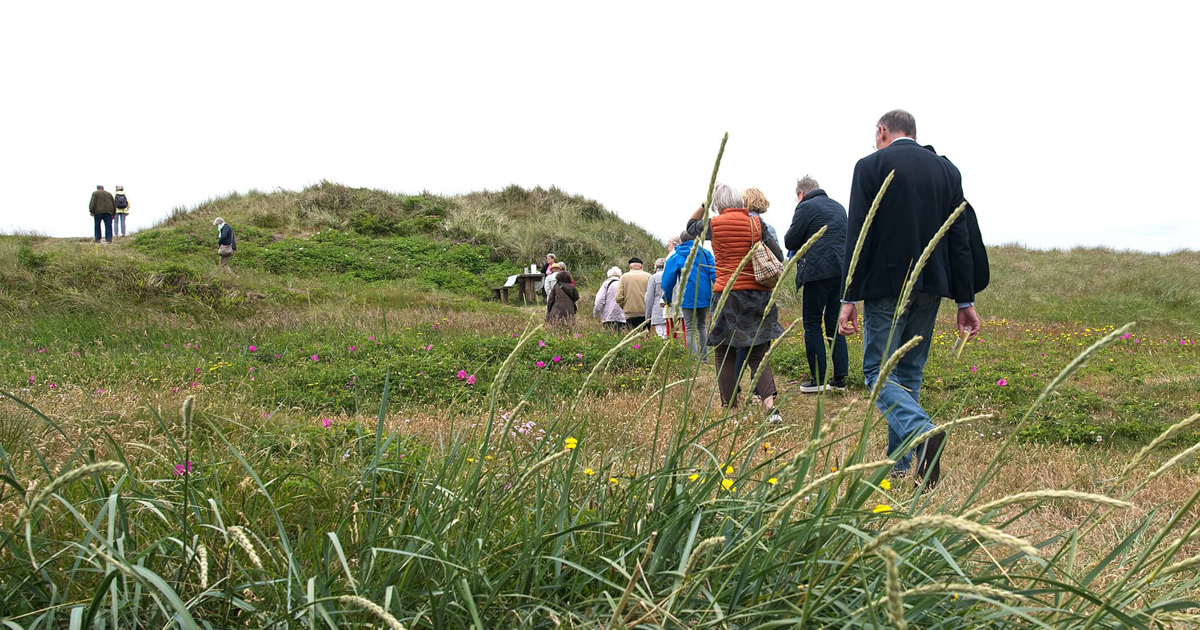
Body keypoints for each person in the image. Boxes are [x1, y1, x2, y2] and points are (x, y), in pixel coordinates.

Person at [838, 110, 980, 487]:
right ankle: (901, 465)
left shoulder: (869, 166)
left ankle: (922, 432)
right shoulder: (947, 171)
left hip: (885, 285)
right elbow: (959, 239)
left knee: (877, 371)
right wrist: (964, 301)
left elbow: (858, 232)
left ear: (883, 131)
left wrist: (848, 296)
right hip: (933, 285)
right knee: (908, 373)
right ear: (914, 133)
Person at [685, 183, 784, 421]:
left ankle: (730, 410)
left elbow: (689, 228)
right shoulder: (756, 223)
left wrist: (704, 203)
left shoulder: (714, 225)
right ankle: (771, 408)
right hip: (758, 294)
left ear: (718, 204)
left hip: (726, 293)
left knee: (725, 353)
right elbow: (778, 255)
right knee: (758, 353)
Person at [784, 175, 849, 393]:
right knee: (833, 322)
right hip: (840, 272)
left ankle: (819, 380)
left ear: (801, 194)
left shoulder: (805, 207)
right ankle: (839, 378)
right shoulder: (839, 207)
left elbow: (790, 241)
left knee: (812, 323)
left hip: (816, 272)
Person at [733, 188, 781, 399]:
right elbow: (777, 258)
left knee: (740, 343)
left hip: (739, 289)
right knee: (761, 343)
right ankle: (758, 390)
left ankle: (733, 389)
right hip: (762, 289)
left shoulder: (737, 225)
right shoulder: (767, 227)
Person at [662, 230, 715, 358]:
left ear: (681, 241)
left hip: (687, 296)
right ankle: (704, 358)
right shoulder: (705, 253)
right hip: (704, 295)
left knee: (690, 328)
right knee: (702, 326)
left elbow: (667, 281)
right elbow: (714, 274)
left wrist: (667, 298)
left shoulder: (676, 256)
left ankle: (693, 358)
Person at [615, 258, 651, 330]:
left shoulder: (624, 277)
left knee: (632, 336)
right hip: (646, 312)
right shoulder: (649, 276)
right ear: (641, 266)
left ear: (630, 267)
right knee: (646, 336)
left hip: (630, 313)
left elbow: (618, 297)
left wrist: (625, 306)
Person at [593, 267, 626, 331]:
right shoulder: (623, 284)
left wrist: (595, 313)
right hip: (623, 317)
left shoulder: (606, 284)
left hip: (608, 317)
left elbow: (599, 300)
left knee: (610, 336)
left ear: (609, 274)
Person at [644, 258, 668, 338]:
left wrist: (647, 315)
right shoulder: (671, 275)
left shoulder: (653, 277)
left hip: (657, 309)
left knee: (660, 334)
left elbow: (649, 298)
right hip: (670, 308)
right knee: (669, 334)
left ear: (656, 267)